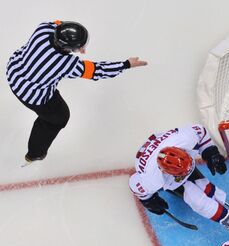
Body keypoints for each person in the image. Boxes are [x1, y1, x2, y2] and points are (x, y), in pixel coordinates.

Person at [6, 20, 147, 163]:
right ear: (66, 48)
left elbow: (58, 23)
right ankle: (35, 153)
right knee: (59, 117)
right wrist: (126, 64)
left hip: (14, 71)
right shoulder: (66, 64)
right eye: (77, 49)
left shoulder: (42, 29)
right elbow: (97, 71)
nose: (82, 51)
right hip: (31, 94)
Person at [129, 124, 229, 237]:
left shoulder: (186, 139)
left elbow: (202, 133)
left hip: (162, 144)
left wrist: (210, 153)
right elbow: (135, 184)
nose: (186, 173)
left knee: (203, 186)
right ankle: (228, 220)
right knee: (196, 200)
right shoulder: (151, 179)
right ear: (164, 171)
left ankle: (220, 209)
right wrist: (149, 200)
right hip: (154, 167)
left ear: (182, 150)